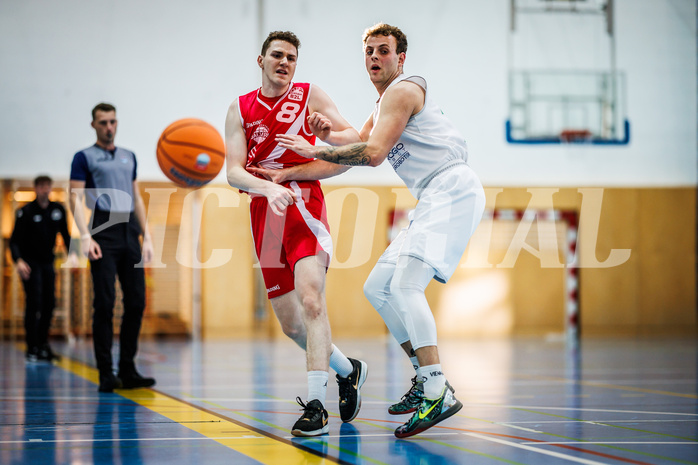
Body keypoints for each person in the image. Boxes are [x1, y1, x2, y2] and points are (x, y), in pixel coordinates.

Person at [276, 23, 486, 438]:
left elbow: (371, 155)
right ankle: (424, 378)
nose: (374, 58)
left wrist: (315, 148)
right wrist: (327, 133)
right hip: (432, 197)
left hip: (452, 187)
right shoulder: (383, 104)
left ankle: (437, 388)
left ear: (401, 58)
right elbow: (355, 137)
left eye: (383, 51)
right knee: (379, 287)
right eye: (369, 51)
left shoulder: (405, 90)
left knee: (407, 287)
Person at [224, 30, 368, 437]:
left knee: (311, 298)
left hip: (304, 204)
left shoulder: (309, 95)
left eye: (291, 57)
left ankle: (317, 408)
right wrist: (268, 188)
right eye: (277, 56)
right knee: (291, 325)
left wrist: (324, 138)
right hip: (264, 210)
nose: (284, 62)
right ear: (261, 60)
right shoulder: (240, 108)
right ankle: (347, 369)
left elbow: (356, 145)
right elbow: (233, 171)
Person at [69, 103, 156, 393]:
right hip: (102, 230)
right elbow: (75, 197)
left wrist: (148, 238)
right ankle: (106, 372)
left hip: (129, 229)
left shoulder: (128, 157)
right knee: (104, 304)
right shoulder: (83, 158)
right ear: (93, 125)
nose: (109, 127)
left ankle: (128, 369)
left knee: (136, 302)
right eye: (103, 122)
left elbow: (137, 198)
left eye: (113, 121)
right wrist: (84, 235)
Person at [10, 175, 71, 362]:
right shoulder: (25, 212)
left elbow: (66, 236)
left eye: (48, 186)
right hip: (29, 263)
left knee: (49, 303)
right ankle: (32, 346)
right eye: (42, 186)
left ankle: (43, 344)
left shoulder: (58, 210)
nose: (46, 189)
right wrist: (18, 261)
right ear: (36, 188)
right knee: (34, 302)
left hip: (47, 263)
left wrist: (73, 254)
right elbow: (14, 242)